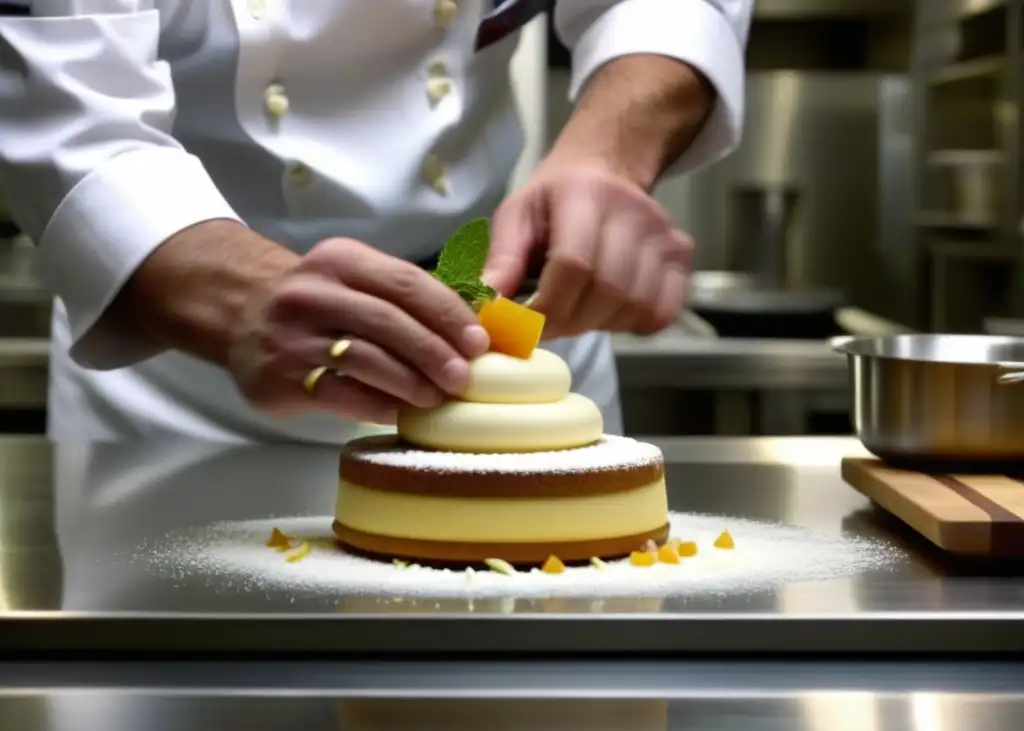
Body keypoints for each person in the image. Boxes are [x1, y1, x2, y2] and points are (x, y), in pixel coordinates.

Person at [0, 0, 753, 442]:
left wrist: (610, 154)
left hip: (510, 352)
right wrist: (244, 297)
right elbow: (66, 101)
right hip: (177, 377)